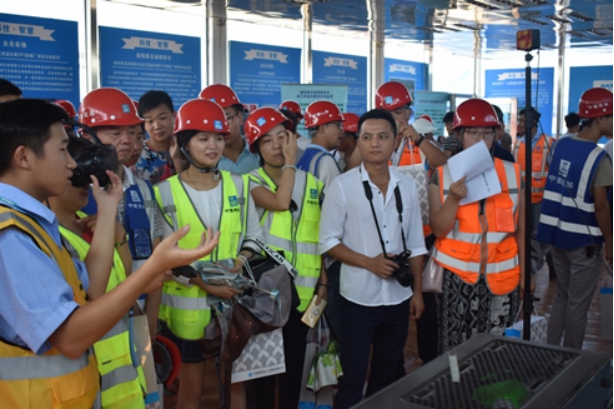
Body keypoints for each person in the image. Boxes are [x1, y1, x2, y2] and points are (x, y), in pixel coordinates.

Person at [0, 98, 220, 409]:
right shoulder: (11, 234)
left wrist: (106, 209)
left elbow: (91, 290)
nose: (72, 164)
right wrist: (151, 270)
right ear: (24, 157)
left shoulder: (31, 223)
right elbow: (70, 338)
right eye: (63, 150)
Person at [154, 98, 264, 409]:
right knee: (191, 394)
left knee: (236, 387)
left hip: (233, 304)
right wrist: (205, 284)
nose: (213, 146)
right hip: (187, 313)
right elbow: (163, 257)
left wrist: (238, 265)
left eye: (218, 138)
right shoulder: (164, 192)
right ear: (185, 144)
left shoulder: (240, 185)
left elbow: (254, 237)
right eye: (203, 138)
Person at [319, 109, 426, 409]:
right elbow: (327, 242)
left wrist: (417, 292)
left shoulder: (407, 186)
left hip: (398, 298)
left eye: (382, 136)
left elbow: (416, 245)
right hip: (357, 299)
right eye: (367, 137)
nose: (375, 143)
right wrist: (370, 263)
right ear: (359, 142)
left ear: (394, 141)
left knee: (386, 375)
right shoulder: (343, 186)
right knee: (351, 378)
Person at [48, 140, 150, 408]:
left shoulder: (90, 223)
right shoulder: (53, 239)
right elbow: (92, 293)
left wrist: (119, 236)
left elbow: (121, 274)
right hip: (95, 384)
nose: (86, 184)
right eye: (77, 177)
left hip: (125, 377)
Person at [428, 98, 526, 353]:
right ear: (459, 135)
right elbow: (438, 230)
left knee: (499, 349)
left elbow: (522, 231)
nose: (480, 140)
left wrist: (526, 274)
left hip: (503, 277)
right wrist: (453, 199)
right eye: (473, 133)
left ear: (496, 135)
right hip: (458, 278)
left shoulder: (513, 173)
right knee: (456, 350)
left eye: (487, 133)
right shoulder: (442, 175)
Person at [245, 107, 327, 409]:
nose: (278, 146)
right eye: (267, 141)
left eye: (283, 137)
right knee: (263, 375)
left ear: (293, 138)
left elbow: (322, 238)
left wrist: (324, 283)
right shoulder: (249, 183)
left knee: (295, 370)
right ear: (257, 149)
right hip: (265, 296)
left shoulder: (314, 185)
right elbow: (281, 202)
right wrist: (291, 163)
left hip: (304, 296)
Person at [537, 87, 613, 350]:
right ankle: (570, 361)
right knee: (578, 306)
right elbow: (601, 205)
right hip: (584, 243)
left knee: (563, 297)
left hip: (557, 237)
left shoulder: (562, 145)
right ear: (600, 119)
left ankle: (551, 354)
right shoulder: (598, 157)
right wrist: (610, 241)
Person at [375, 81, 447, 169]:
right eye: (387, 115)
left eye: (398, 112)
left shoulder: (420, 142)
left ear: (409, 113)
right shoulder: (373, 143)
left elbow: (444, 165)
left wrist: (419, 140)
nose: (393, 119)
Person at [200, 84, 260, 174]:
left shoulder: (260, 152)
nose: (222, 127)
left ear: (240, 118)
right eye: (215, 121)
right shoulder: (203, 162)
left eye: (227, 118)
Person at [134, 90, 181, 184]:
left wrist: (177, 160)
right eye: (150, 121)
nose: (157, 126)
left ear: (174, 116)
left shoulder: (187, 150)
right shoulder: (136, 155)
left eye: (162, 118)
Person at [296, 100, 345, 191]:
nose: (342, 131)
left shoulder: (303, 157)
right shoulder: (325, 161)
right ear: (322, 128)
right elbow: (334, 198)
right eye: (338, 125)